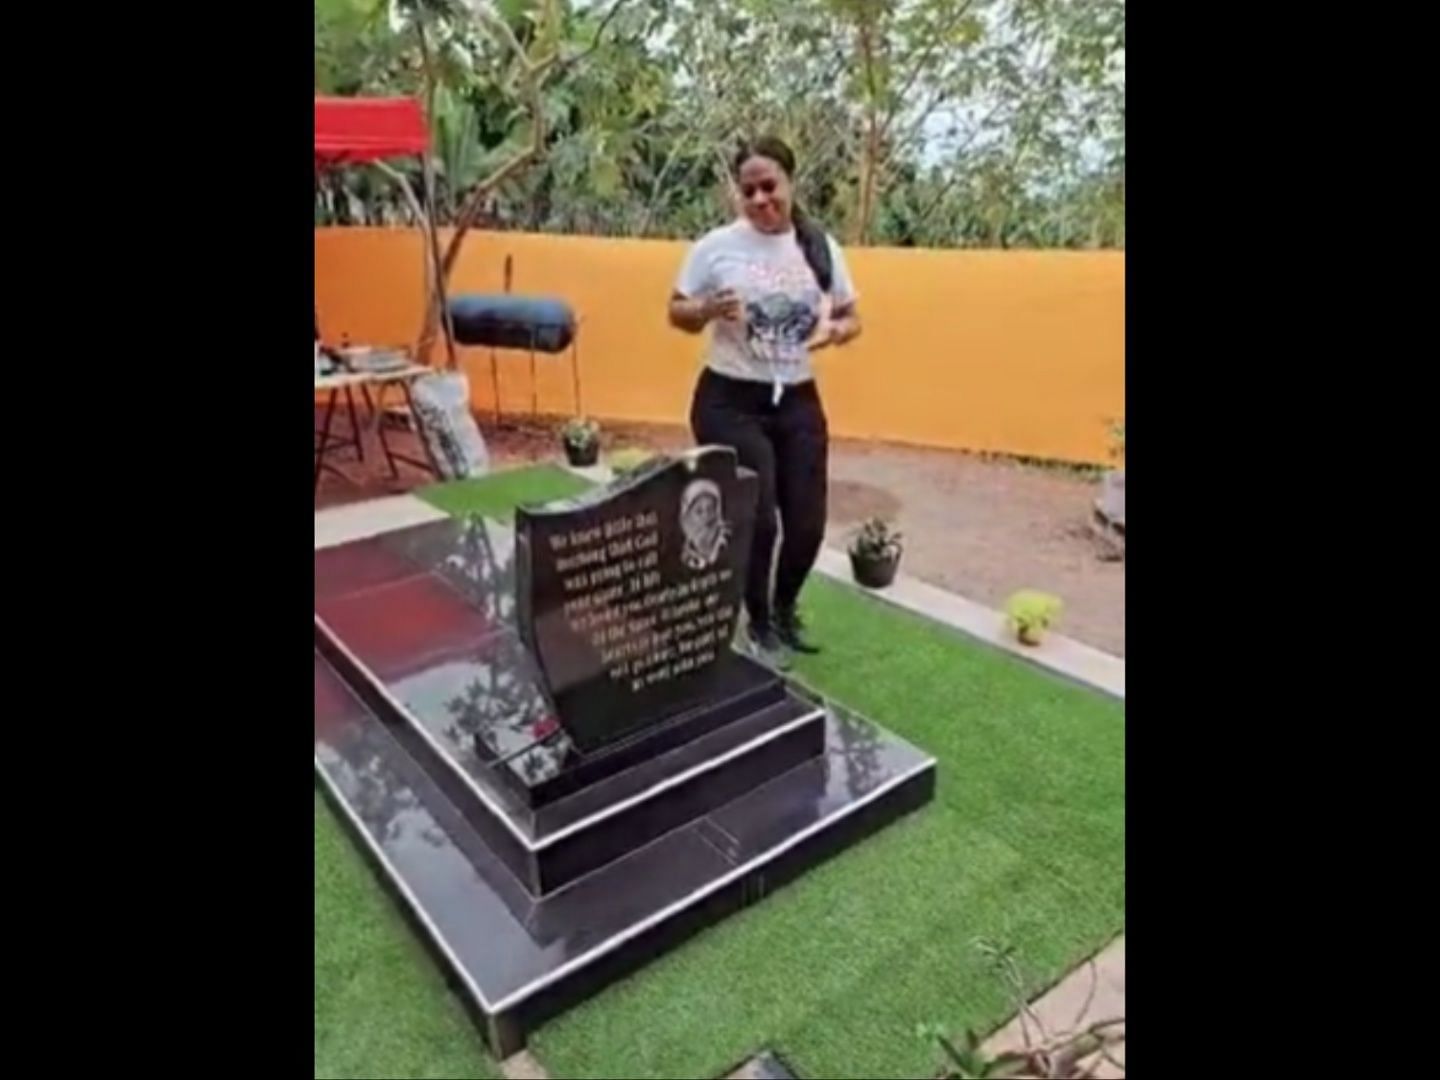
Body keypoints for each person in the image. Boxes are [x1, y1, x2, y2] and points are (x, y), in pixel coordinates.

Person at [668, 135, 862, 663]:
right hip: (728, 398)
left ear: (790, 182)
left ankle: (784, 607)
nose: (759, 199)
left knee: (807, 521)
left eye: (769, 186)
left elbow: (852, 316)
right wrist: (706, 308)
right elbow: (676, 311)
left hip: (796, 397)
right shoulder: (716, 246)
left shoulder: (820, 247)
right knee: (760, 517)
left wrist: (840, 332)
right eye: (748, 190)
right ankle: (757, 621)